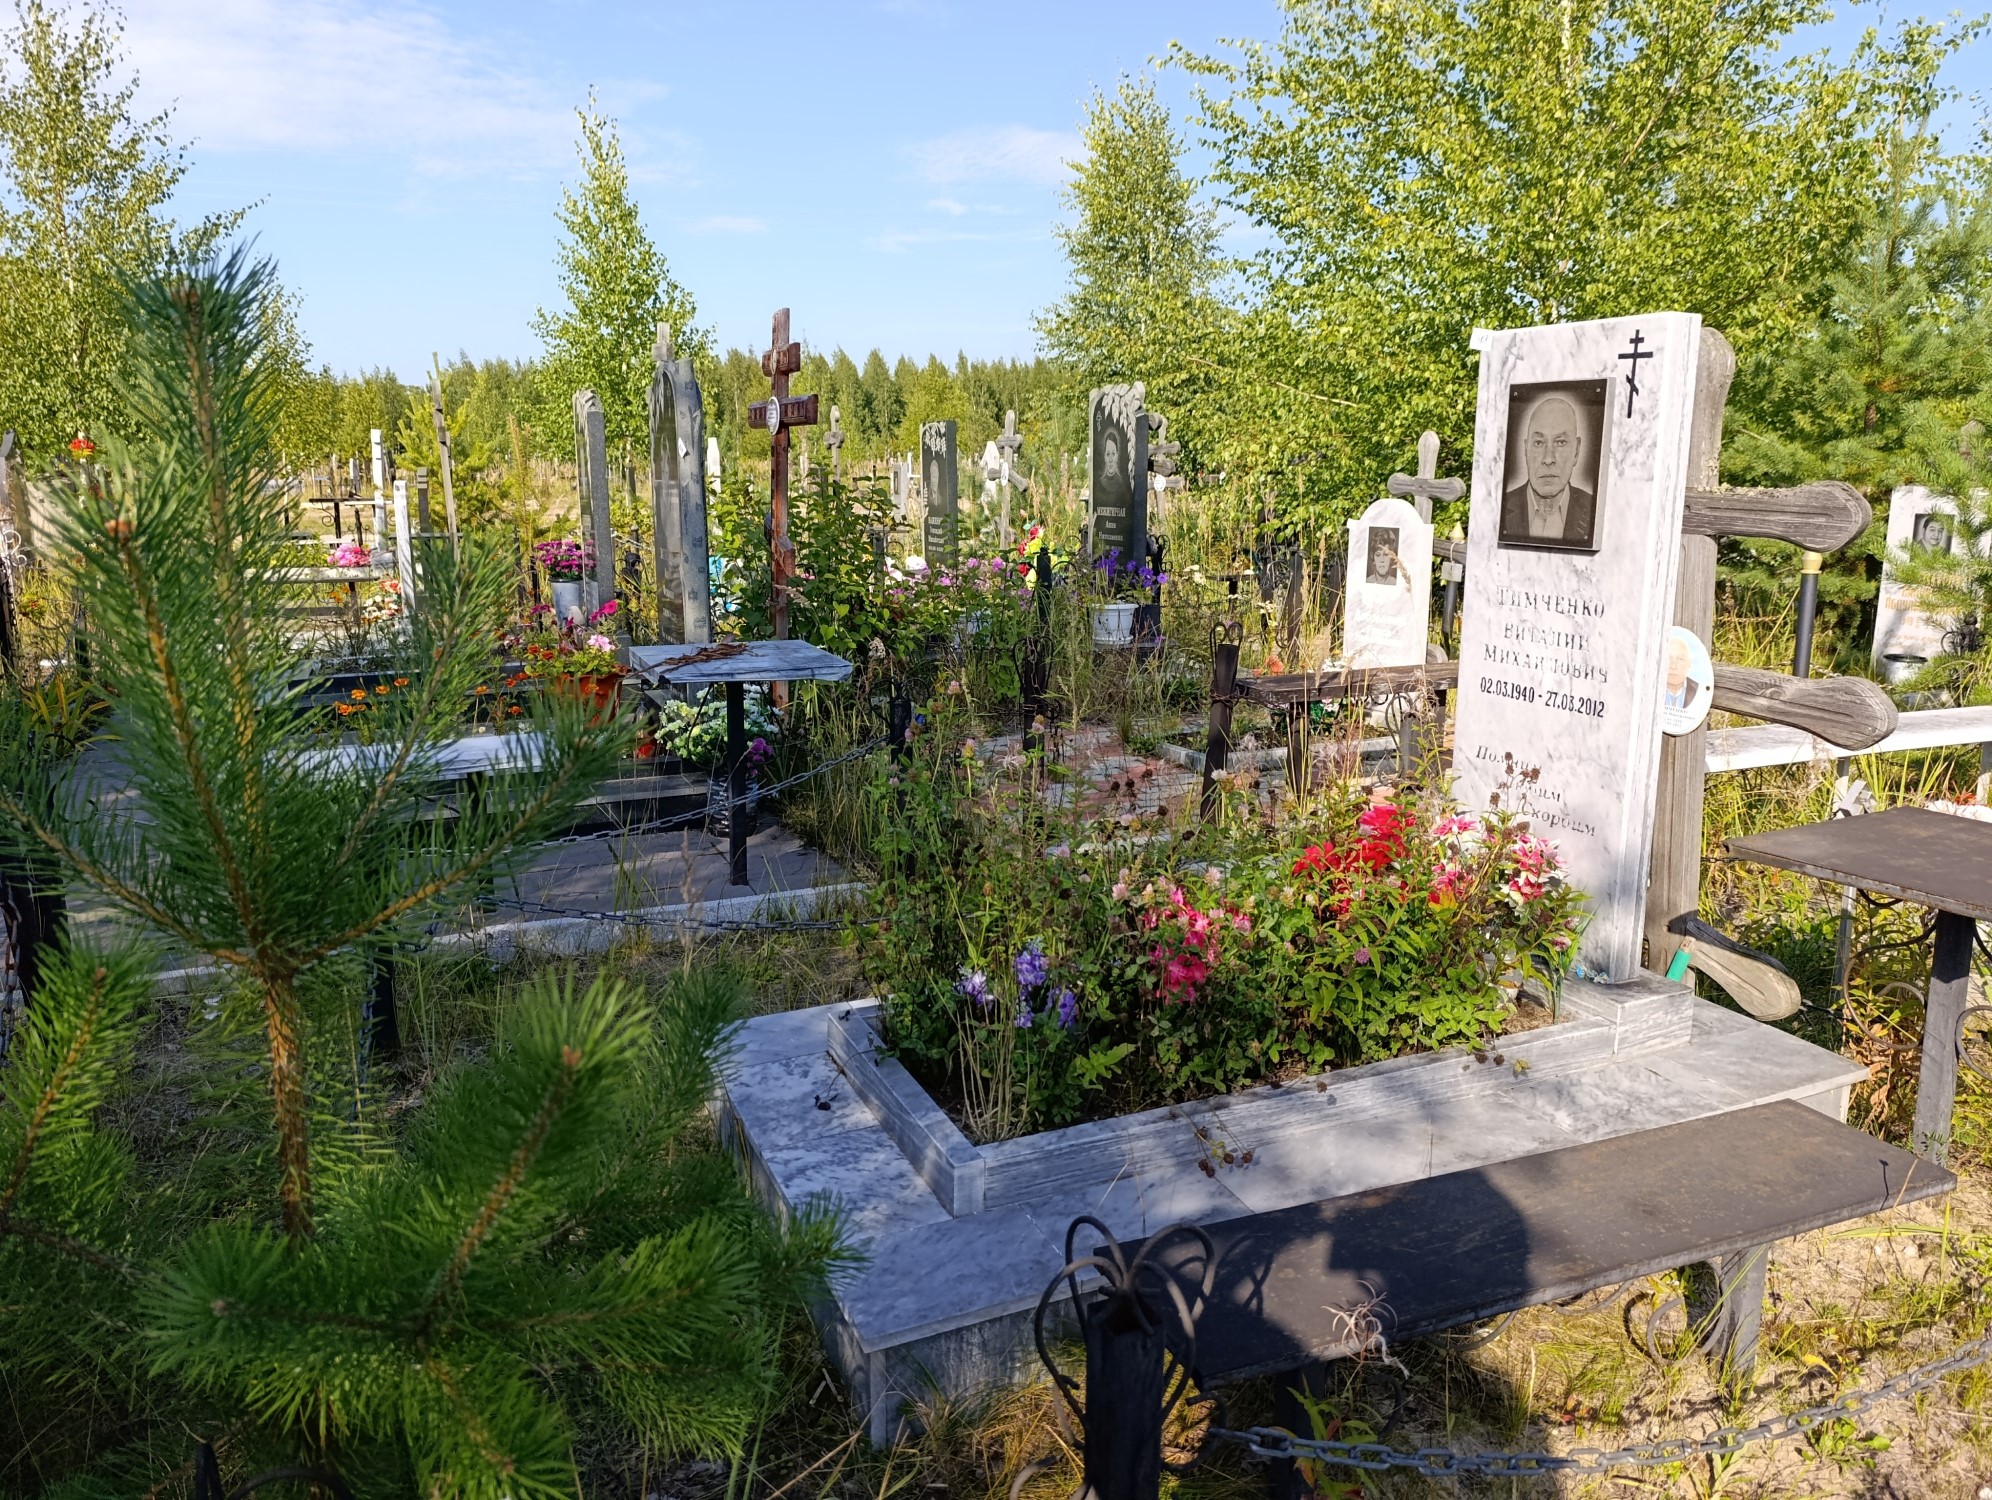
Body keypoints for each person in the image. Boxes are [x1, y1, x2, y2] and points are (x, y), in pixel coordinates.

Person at [1500, 395, 1596, 546]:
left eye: (1560, 442)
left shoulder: (1594, 509)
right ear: (1526, 449)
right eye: (1538, 443)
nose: (1548, 458)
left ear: (1576, 451)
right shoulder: (1499, 505)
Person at [1663, 635, 1700, 711]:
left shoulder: (1699, 691)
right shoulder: (1650, 688)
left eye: (1680, 659)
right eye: (1668, 658)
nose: (1673, 666)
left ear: (1689, 664)